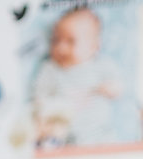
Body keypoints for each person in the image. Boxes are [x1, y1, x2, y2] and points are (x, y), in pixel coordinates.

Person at [31, 5, 122, 150]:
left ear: (94, 46)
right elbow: (39, 97)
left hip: (100, 135)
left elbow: (117, 89)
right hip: (64, 138)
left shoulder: (101, 65)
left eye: (70, 41)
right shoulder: (50, 69)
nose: (61, 47)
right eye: (56, 40)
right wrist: (53, 106)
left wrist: (109, 88)